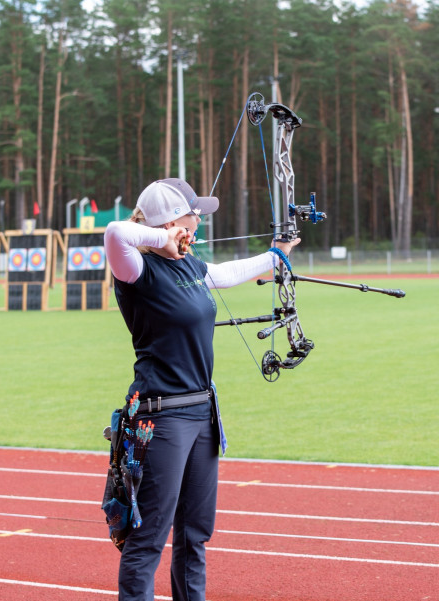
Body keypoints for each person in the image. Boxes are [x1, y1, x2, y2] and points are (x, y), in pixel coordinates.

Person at [105, 177, 299, 601]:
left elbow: (228, 275)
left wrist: (275, 254)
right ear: (172, 220)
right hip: (162, 417)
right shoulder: (137, 269)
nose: (198, 223)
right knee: (150, 536)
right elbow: (116, 233)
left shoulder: (192, 266)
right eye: (193, 215)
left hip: (202, 413)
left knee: (194, 534)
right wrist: (164, 237)